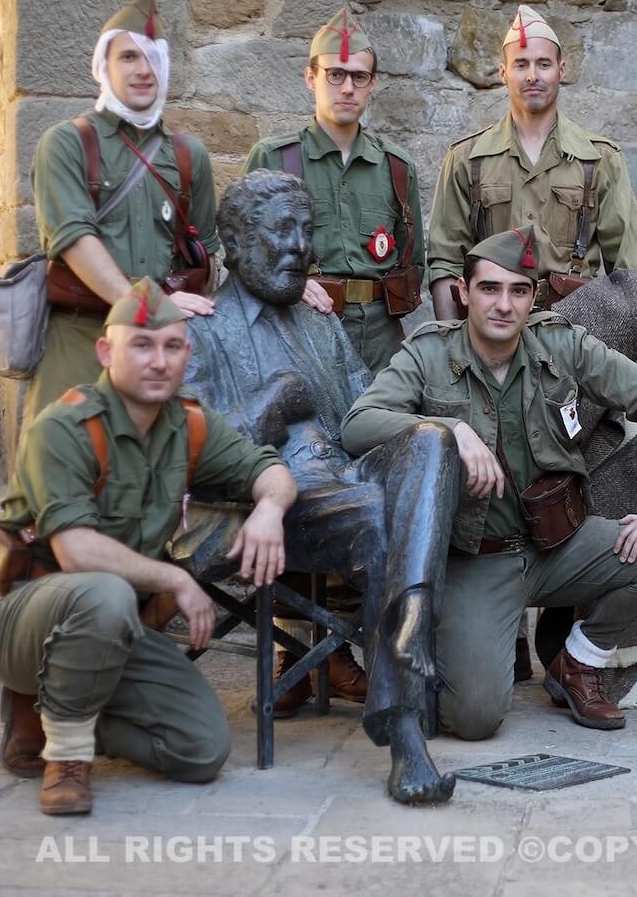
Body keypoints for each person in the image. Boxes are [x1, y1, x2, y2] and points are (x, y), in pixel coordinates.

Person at [342, 225, 637, 736]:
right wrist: (448, 428)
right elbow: (359, 424)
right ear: (464, 293)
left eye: (519, 290)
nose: (504, 305)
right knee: (475, 719)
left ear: (533, 298)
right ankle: (452, 645)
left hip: (557, 546)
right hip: (475, 560)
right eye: (490, 289)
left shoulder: (561, 345)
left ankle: (578, 662)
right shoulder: (428, 353)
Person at [182, 169, 458, 804]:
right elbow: (189, 451)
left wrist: (435, 421)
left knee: (432, 442)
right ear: (236, 239)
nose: (298, 248)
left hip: (347, 476)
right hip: (264, 506)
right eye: (282, 231)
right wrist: (273, 404)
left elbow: (366, 407)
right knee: (381, 518)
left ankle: (409, 611)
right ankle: (407, 726)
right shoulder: (202, 329)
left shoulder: (318, 320)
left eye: (306, 232)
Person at [0, 280, 296, 815]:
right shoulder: (64, 426)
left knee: (201, 750)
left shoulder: (187, 425)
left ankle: (67, 704)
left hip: (112, 626)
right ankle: (68, 756)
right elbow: (75, 552)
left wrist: (269, 509)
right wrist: (174, 579)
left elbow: (269, 469)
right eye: (141, 345)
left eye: (172, 347)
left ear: (186, 355)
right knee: (103, 591)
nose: (158, 361)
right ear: (106, 351)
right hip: (18, 620)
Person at [25, 0, 221, 424]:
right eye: (128, 56)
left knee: (161, 476)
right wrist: (146, 307)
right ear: (104, 66)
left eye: (152, 57)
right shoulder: (66, 143)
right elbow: (74, 239)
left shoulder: (190, 156)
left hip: (158, 352)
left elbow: (205, 253)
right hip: (81, 340)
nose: (142, 70)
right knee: (65, 467)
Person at [426, 5, 637, 316]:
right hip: (490, 327)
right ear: (503, 72)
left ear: (562, 70)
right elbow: (446, 263)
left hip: (575, 332)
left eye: (543, 64)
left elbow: (631, 275)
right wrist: (452, 348)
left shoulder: (600, 160)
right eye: (521, 64)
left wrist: (599, 344)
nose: (532, 75)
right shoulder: (466, 159)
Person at [244, 9, 426, 373]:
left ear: (373, 83)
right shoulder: (274, 158)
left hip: (380, 341)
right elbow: (245, 257)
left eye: (359, 77)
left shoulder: (396, 167)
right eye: (335, 74)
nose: (347, 88)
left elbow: (414, 259)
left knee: (385, 425)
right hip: (298, 329)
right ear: (311, 78)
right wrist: (292, 284)